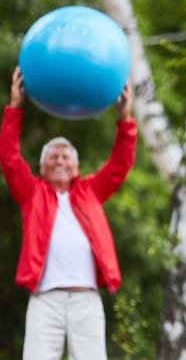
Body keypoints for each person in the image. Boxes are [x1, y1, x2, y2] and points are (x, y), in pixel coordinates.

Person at [0, 67, 136, 360]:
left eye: (66, 156)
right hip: (45, 297)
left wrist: (125, 119)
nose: (59, 160)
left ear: (76, 167)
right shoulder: (31, 192)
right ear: (43, 167)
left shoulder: (90, 191)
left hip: (85, 298)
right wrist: (14, 106)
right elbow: (9, 159)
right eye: (53, 156)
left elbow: (120, 164)